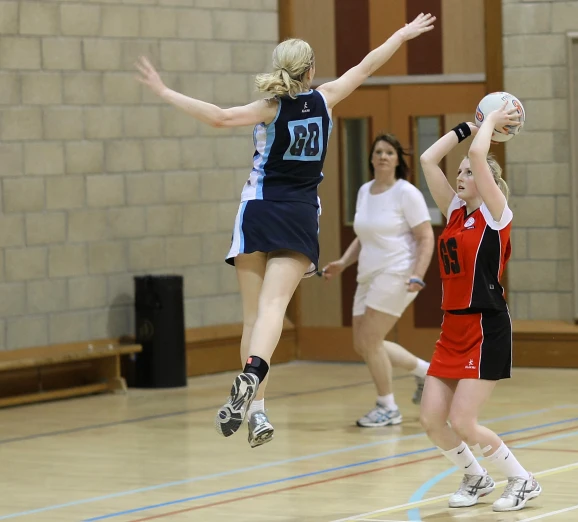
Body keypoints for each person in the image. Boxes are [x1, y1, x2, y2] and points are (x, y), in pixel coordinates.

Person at [134, 13, 436, 449]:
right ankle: (254, 382)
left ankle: (258, 406)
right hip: (298, 214)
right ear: (310, 70)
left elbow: (218, 117)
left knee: (253, 314)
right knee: (276, 308)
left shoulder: (268, 109)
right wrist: (402, 34)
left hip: (257, 210)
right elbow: (368, 65)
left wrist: (164, 91)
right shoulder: (326, 99)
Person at [417, 104, 542, 512]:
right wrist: (466, 126)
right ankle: (476, 475)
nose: (461, 176)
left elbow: (476, 155)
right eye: (460, 175)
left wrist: (489, 121)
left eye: (469, 174)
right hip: (451, 327)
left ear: (489, 182)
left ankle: (522, 480)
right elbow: (427, 159)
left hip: (487, 327)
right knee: (432, 420)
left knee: (463, 422)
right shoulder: (456, 214)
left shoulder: (496, 215)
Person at [321, 133, 434, 428]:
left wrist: (418, 275)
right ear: (371, 159)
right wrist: (344, 263)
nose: (383, 156)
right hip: (367, 274)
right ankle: (426, 372)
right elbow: (363, 235)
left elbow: (425, 238)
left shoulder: (406, 193)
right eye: (378, 152)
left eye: (389, 152)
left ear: (397, 160)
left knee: (370, 340)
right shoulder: (364, 191)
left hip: (398, 272)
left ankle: (387, 406)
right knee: (364, 344)